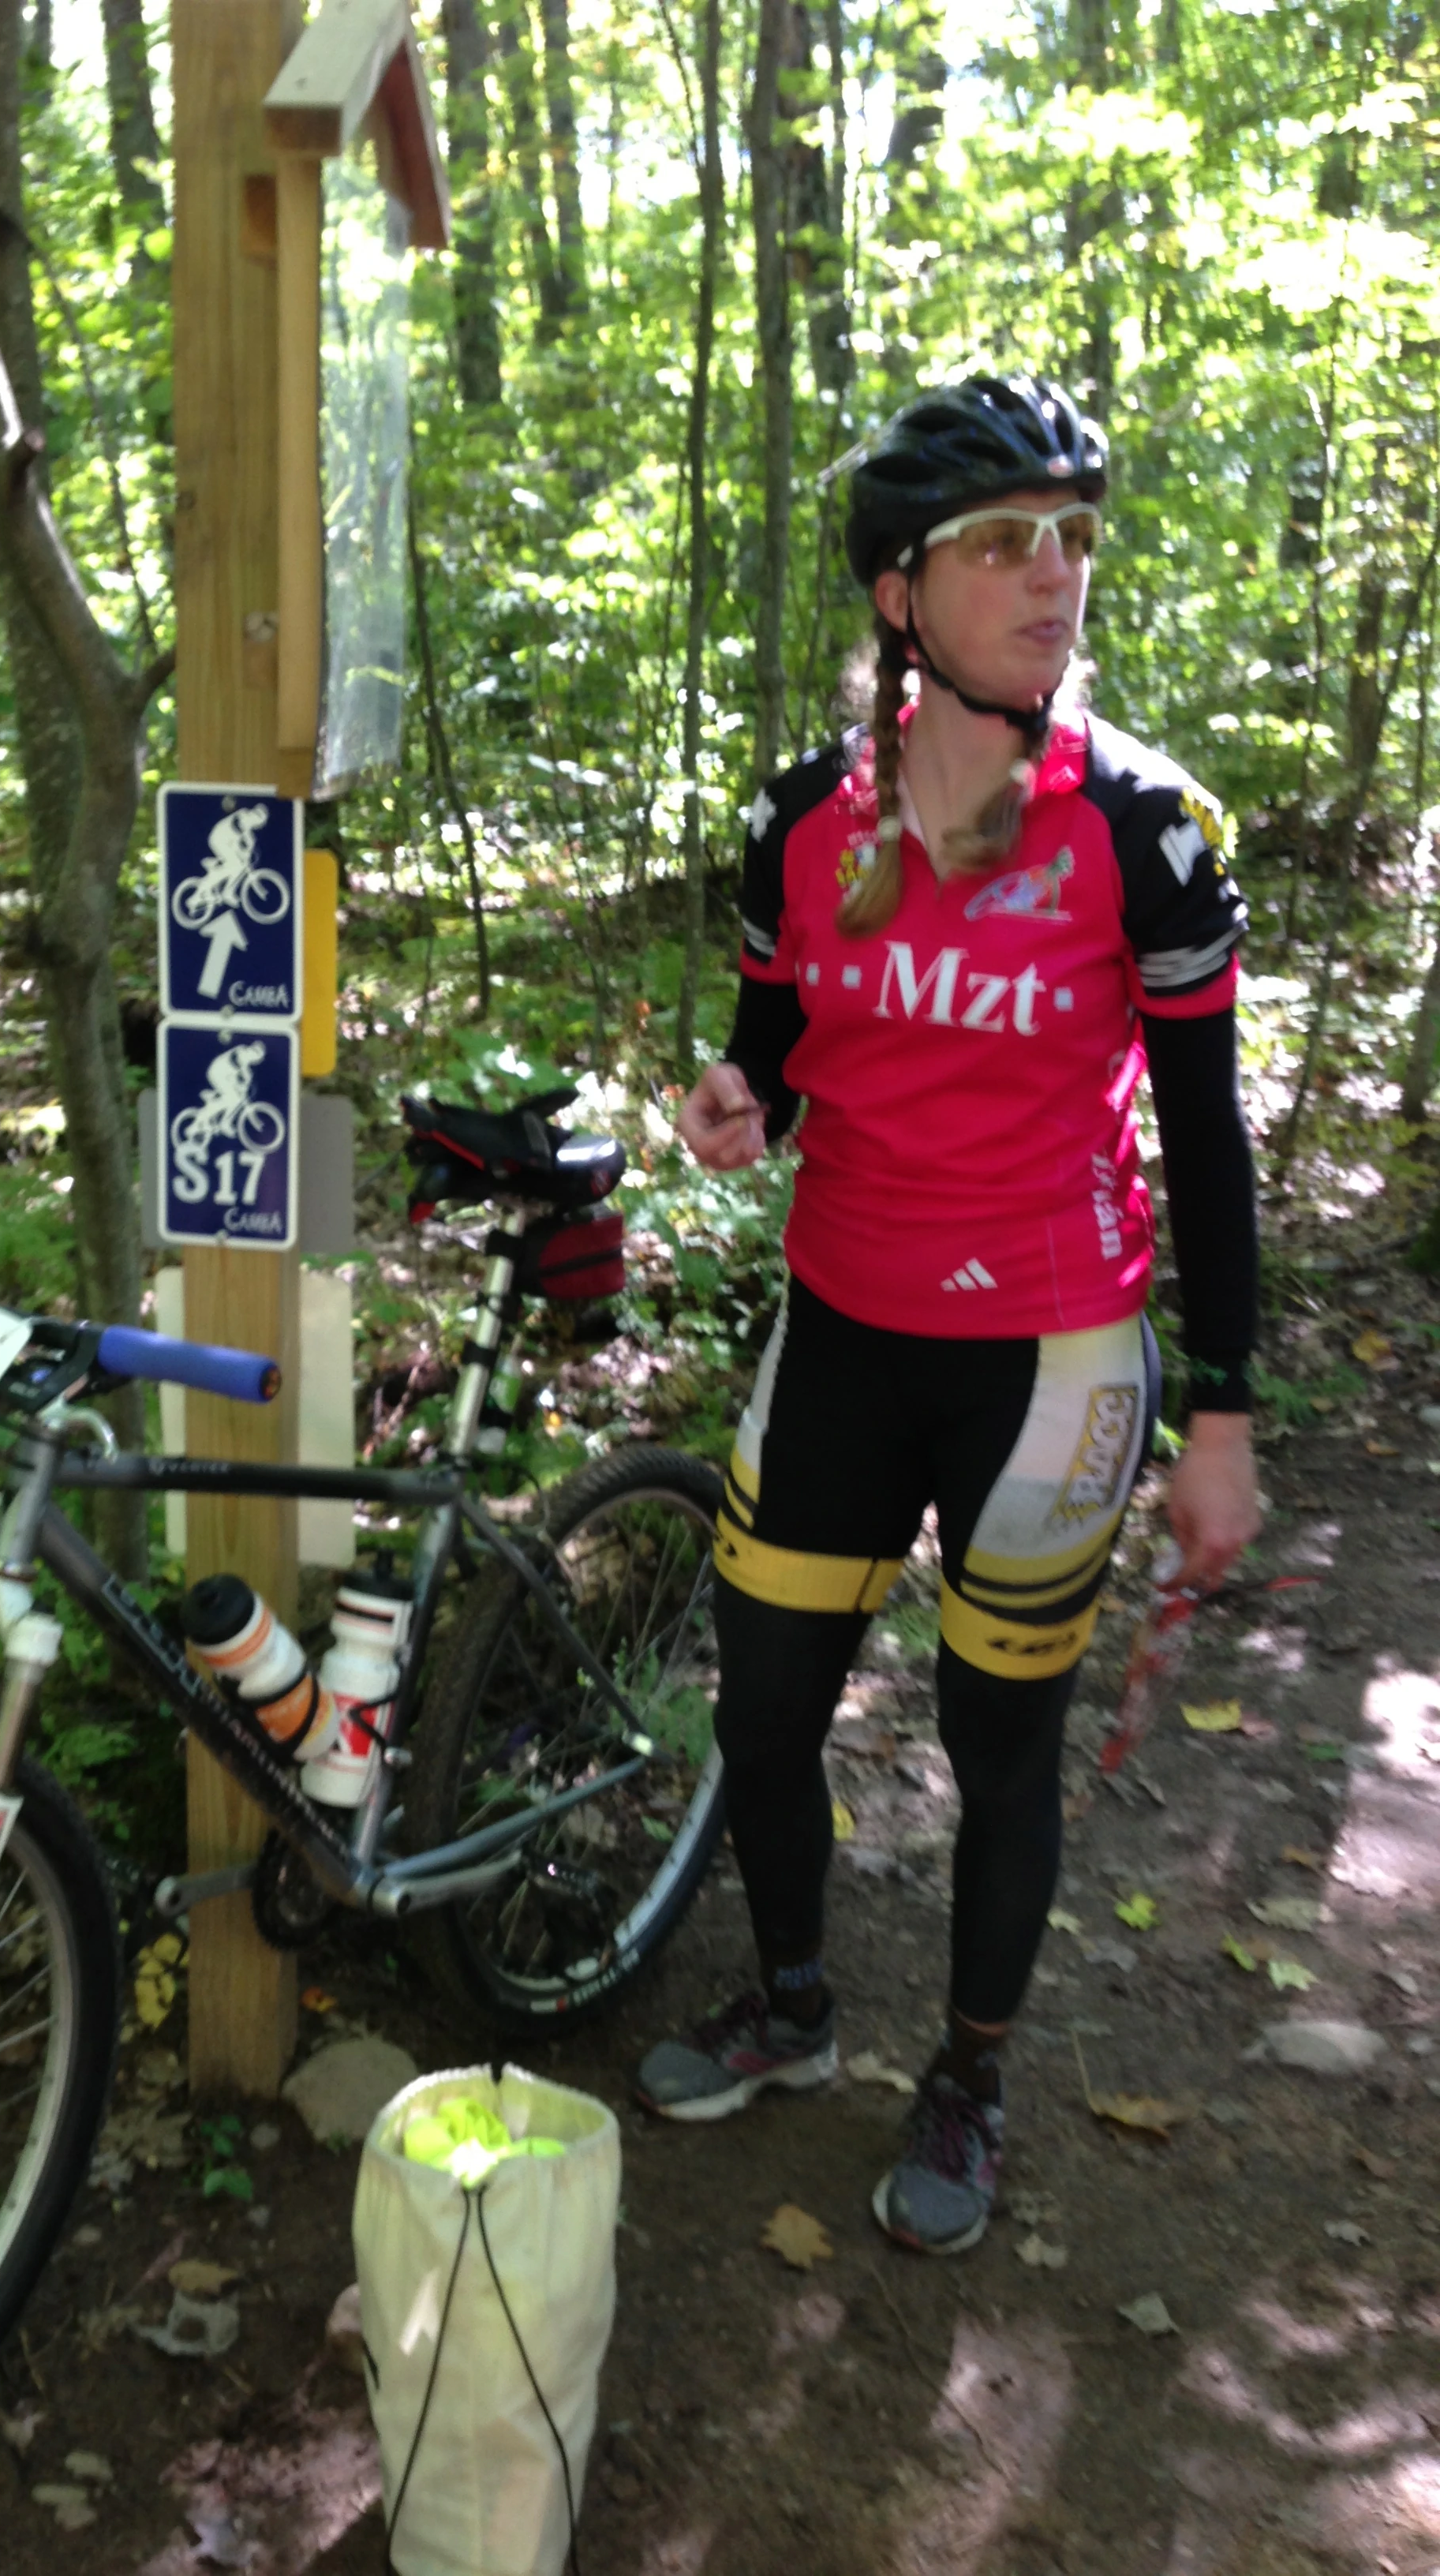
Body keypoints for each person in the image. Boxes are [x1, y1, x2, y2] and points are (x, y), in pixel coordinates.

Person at [634, 374, 1261, 2256]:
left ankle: (971, 2077)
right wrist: (741, 1104)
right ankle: (796, 2006)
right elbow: (775, 1053)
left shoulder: (1143, 828)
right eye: (1004, 543)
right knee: (762, 1713)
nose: (1054, 575)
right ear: (901, 595)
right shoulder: (799, 821)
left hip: (1053, 1363)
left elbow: (1208, 1139)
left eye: (1074, 537)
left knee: (1000, 1744)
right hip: (843, 1326)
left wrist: (1222, 1419)